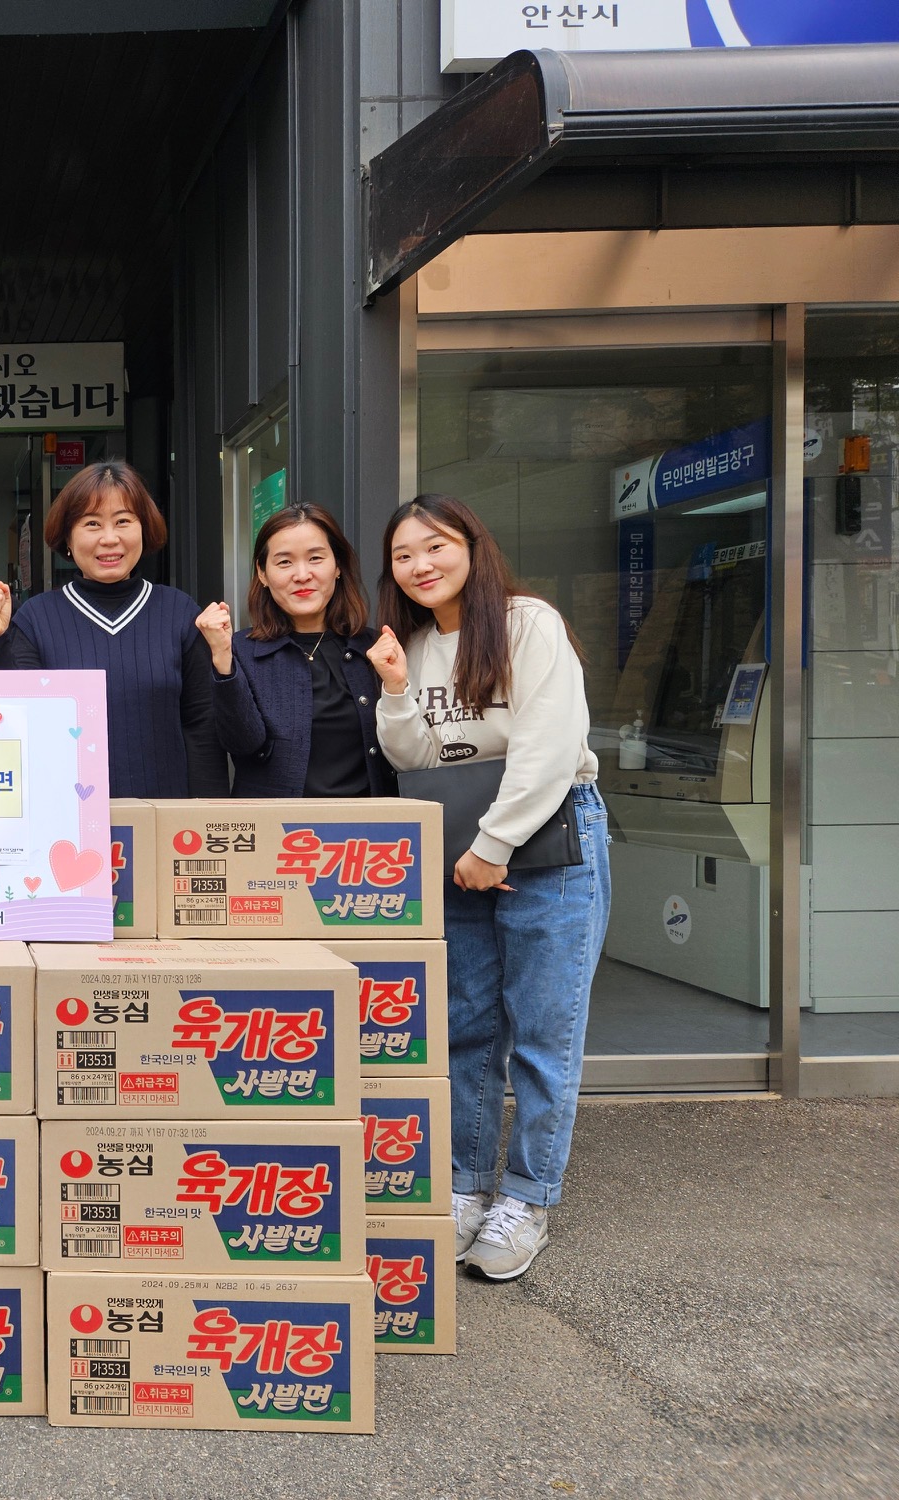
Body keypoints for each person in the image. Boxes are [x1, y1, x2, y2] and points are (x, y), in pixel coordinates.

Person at [364, 492, 609, 1283]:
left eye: (435, 547)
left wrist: (495, 844)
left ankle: (529, 1198)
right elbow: (412, 758)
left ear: (472, 546)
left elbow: (549, 744)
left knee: (542, 1033)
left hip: (545, 842)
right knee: (466, 1028)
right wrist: (397, 687)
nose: (421, 565)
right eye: (404, 555)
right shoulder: (411, 642)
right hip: (462, 850)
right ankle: (465, 1186)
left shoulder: (526, 621)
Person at [0, 458, 231, 799]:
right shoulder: (36, 618)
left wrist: (205, 816)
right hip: (67, 820)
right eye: (92, 524)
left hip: (164, 816)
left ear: (144, 529)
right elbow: (17, 721)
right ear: (67, 536)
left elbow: (202, 725)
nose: (109, 539)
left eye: (123, 521)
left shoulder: (179, 611)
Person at [194, 502, 396, 798]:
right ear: (262, 573)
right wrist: (223, 661)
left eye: (315, 558)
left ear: (337, 566)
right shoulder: (239, 650)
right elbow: (243, 744)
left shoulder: (375, 649)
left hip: (365, 836)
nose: (302, 575)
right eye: (284, 562)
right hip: (278, 836)